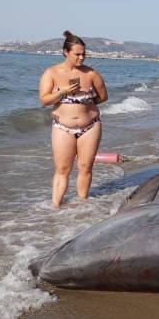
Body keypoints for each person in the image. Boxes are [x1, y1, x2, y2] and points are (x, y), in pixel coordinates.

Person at [39, 31, 108, 208]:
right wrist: (63, 92)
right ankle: (55, 207)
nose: (82, 57)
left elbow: (103, 96)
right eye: (77, 54)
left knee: (85, 167)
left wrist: (85, 103)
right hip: (63, 127)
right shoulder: (52, 72)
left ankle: (81, 207)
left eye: (84, 54)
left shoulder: (91, 73)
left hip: (90, 126)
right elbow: (44, 100)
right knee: (63, 169)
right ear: (65, 52)